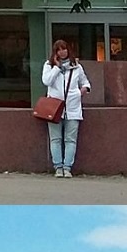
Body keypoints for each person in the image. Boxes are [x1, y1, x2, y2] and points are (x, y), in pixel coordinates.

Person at [40, 38, 92, 177]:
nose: (62, 52)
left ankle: (67, 167)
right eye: (59, 50)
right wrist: (56, 67)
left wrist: (83, 90)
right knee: (55, 139)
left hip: (73, 107)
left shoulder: (76, 66)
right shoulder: (49, 65)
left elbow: (85, 82)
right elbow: (46, 81)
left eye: (64, 49)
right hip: (54, 107)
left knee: (71, 139)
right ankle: (58, 167)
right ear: (55, 52)